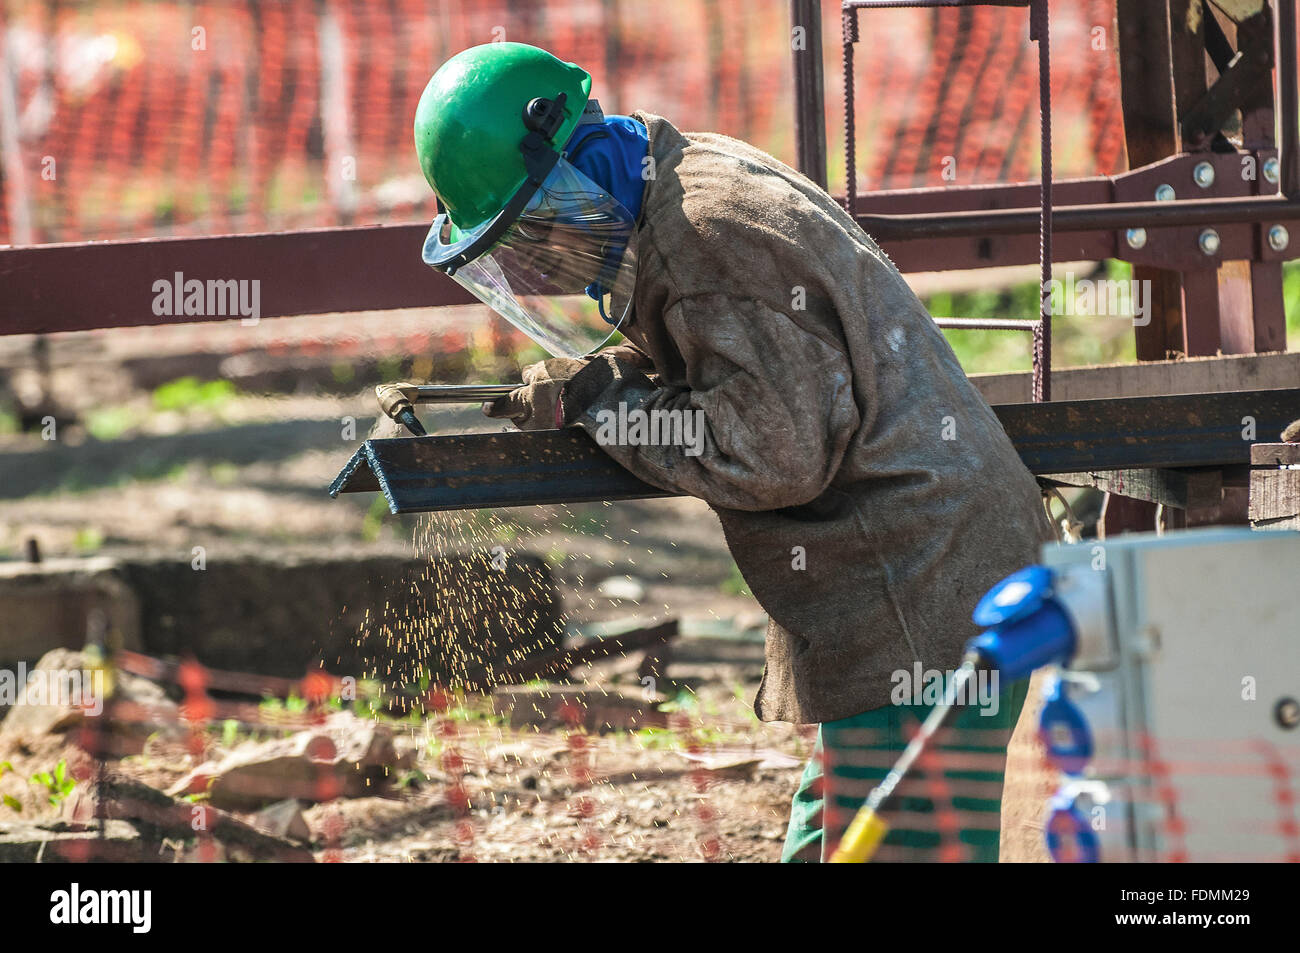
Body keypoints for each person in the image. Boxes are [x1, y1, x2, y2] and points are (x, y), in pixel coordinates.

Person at [414, 42, 1055, 862]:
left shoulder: (707, 240)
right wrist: (608, 380)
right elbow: (746, 368)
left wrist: (605, 405)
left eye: (535, 227)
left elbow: (773, 452)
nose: (542, 259)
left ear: (567, 158)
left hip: (919, 589)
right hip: (905, 578)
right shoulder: (675, 172)